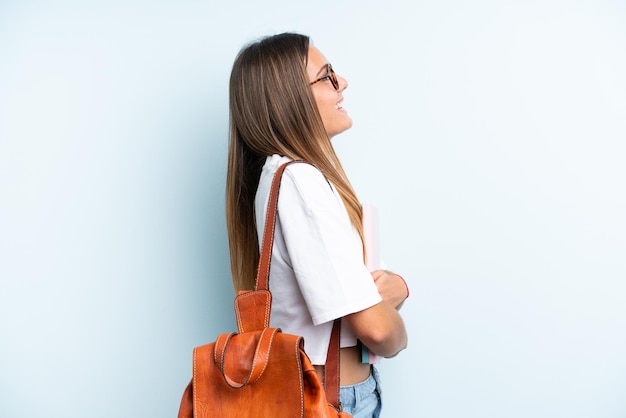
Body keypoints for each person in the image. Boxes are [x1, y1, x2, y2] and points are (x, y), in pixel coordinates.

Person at [226, 32, 408, 418]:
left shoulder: (279, 177)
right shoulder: (300, 181)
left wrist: (388, 295)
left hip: (325, 394)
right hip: (332, 399)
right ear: (289, 98)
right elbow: (377, 330)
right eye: (326, 76)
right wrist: (396, 317)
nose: (342, 83)